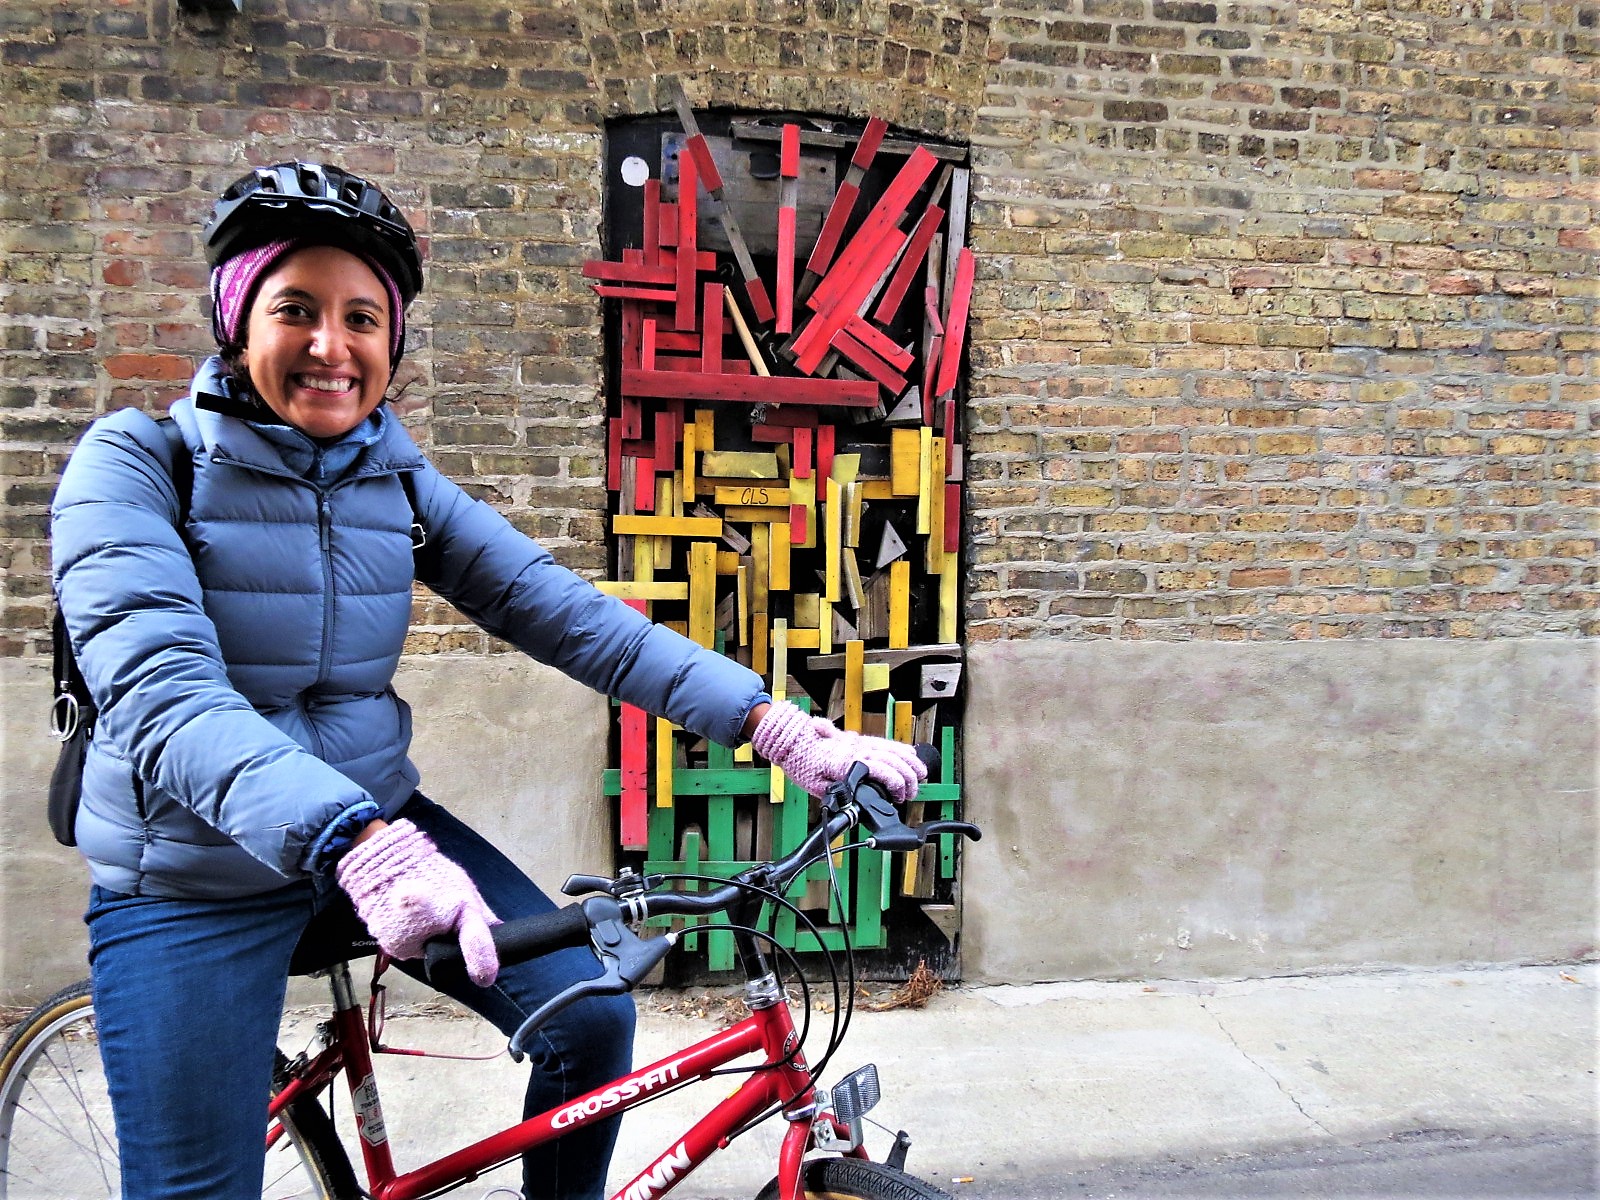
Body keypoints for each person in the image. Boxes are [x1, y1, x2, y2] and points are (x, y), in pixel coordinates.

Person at [49, 160, 928, 1200]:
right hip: (195, 874)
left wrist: (778, 727)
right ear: (238, 323)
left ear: (394, 341)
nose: (331, 347)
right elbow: (161, 693)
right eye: (296, 310)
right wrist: (356, 844)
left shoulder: (394, 478)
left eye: (362, 318)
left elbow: (574, 621)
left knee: (590, 1017)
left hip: (376, 831)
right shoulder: (138, 464)